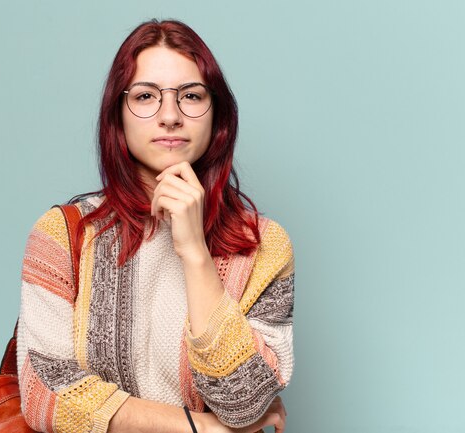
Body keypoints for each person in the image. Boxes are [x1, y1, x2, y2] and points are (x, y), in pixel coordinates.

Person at [17, 19, 294, 433]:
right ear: (118, 115)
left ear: (217, 114)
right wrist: (201, 428)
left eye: (191, 96)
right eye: (146, 96)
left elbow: (246, 404)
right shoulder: (63, 235)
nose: (170, 116)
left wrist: (196, 253)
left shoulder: (263, 246)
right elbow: (46, 393)